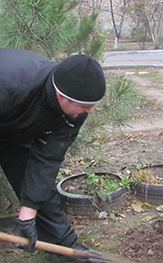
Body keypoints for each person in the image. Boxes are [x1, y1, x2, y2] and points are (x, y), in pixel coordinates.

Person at [0, 48, 106, 260]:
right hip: (7, 105)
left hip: (14, 134)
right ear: (60, 96)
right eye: (85, 106)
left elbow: (47, 159)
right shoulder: (10, 85)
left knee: (41, 189)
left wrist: (27, 215)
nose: (89, 111)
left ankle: (65, 250)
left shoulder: (75, 110)